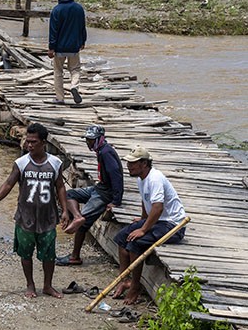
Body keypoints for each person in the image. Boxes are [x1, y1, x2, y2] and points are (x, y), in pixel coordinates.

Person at [0, 123, 68, 298]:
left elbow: (60, 187)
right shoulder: (21, 163)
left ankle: (47, 286)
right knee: (25, 253)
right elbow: (9, 183)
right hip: (25, 217)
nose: (29, 145)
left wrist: (66, 210)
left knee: (49, 254)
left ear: (43, 142)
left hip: (47, 217)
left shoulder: (55, 163)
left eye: (33, 142)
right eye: (27, 141)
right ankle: (30, 285)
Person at [113, 146, 186, 305]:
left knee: (135, 243)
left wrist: (143, 229)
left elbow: (158, 208)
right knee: (121, 238)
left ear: (144, 164)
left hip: (173, 225)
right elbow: (146, 200)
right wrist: (142, 219)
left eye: (133, 163)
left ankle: (135, 286)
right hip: (158, 221)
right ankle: (124, 279)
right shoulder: (141, 178)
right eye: (128, 163)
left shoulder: (155, 178)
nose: (129, 166)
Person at [57, 125, 124, 266]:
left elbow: (116, 176)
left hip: (105, 194)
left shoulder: (106, 152)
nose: (88, 143)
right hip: (99, 188)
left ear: (100, 139)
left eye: (91, 140)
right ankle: (77, 216)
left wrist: (116, 200)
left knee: (83, 225)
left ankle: (74, 257)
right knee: (69, 194)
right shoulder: (101, 150)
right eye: (87, 140)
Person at [47, 0, 87, 105]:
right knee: (75, 69)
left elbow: (53, 31)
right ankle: (74, 86)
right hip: (74, 46)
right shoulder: (79, 9)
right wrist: (82, 41)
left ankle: (60, 98)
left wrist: (51, 48)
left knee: (58, 72)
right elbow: (82, 27)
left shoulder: (57, 10)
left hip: (59, 47)